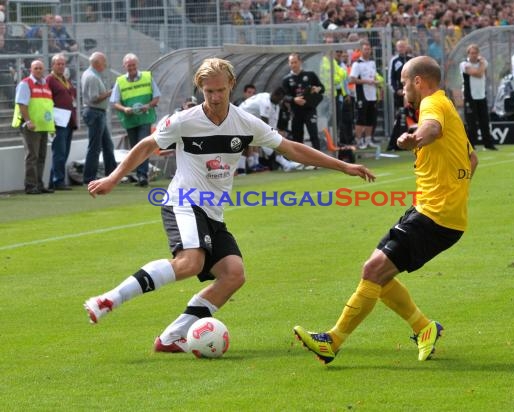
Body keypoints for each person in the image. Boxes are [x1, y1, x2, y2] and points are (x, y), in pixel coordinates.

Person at [83, 58, 375, 353]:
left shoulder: (245, 122)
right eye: (208, 91)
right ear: (201, 89)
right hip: (183, 202)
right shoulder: (184, 120)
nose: (215, 97)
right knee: (190, 262)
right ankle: (108, 300)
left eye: (220, 90)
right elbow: (147, 145)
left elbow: (291, 148)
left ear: (231, 86)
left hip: (213, 211)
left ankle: (172, 337)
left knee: (233, 274)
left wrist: (342, 166)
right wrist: (113, 178)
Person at [293, 56, 479, 364]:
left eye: (404, 82)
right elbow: (472, 160)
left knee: (373, 271)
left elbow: (430, 130)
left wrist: (414, 138)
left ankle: (333, 341)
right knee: (376, 272)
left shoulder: (432, 104)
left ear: (418, 81)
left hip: (436, 216)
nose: (402, 88)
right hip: (431, 210)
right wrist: (453, 192)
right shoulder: (447, 107)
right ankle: (423, 327)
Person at [110, 53, 161, 187]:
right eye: (129, 65)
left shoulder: (147, 77)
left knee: (142, 146)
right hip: (130, 120)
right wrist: (124, 109)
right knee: (134, 148)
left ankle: (142, 176)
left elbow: (156, 97)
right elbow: (114, 101)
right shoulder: (120, 81)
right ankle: (140, 175)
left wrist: (148, 106)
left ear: (137, 65)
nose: (131, 67)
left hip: (145, 118)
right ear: (124, 66)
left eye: (133, 65)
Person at [11, 59, 55, 195]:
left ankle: (39, 184)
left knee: (41, 156)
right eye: (36, 68)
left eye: (40, 68)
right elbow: (22, 104)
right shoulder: (25, 84)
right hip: (31, 126)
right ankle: (30, 186)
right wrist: (28, 121)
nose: (38, 70)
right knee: (32, 156)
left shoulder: (45, 85)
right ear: (31, 69)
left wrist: (51, 126)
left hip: (42, 126)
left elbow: (47, 107)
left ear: (44, 70)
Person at [239, 87, 303, 172]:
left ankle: (253, 166)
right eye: (279, 99)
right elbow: (265, 123)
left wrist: (276, 138)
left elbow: (273, 126)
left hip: (250, 120)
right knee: (262, 140)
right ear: (274, 95)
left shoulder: (276, 105)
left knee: (261, 140)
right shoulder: (265, 102)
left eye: (281, 99)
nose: (280, 101)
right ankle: (285, 164)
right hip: (241, 117)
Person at [81, 51, 117, 185]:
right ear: (96, 63)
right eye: (103, 62)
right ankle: (89, 178)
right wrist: (110, 93)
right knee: (95, 148)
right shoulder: (92, 77)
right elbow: (94, 98)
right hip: (95, 113)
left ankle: (112, 175)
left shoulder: (91, 75)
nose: (105, 65)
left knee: (107, 145)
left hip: (97, 113)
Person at [46, 53, 77, 190]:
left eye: (63, 64)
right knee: (59, 152)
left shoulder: (65, 79)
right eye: (58, 64)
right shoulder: (50, 80)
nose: (61, 66)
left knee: (64, 152)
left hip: (69, 120)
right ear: (52, 65)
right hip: (58, 121)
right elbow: (47, 100)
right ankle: (58, 181)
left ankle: (53, 181)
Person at [282, 53, 325, 151]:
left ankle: (318, 161)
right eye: (291, 63)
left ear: (300, 62)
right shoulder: (286, 79)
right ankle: (300, 162)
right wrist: (294, 99)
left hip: (310, 109)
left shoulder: (310, 75)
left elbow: (322, 88)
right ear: (289, 64)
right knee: (297, 137)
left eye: (295, 62)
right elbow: (284, 96)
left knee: (313, 134)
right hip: (296, 111)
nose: (293, 65)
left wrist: (317, 89)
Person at [459, 44, 497, 151]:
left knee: (484, 121)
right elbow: (478, 73)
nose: (474, 55)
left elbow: (481, 71)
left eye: (476, 53)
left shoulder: (483, 62)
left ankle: (488, 144)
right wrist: (481, 65)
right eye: (472, 53)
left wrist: (481, 65)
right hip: (469, 96)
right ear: (468, 54)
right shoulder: (464, 64)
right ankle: (471, 145)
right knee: (471, 123)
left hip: (481, 95)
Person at [349, 41, 381, 150]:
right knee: (361, 118)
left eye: (369, 49)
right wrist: (367, 81)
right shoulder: (357, 64)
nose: (367, 51)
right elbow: (352, 79)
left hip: (372, 94)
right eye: (365, 49)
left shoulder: (372, 62)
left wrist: (376, 83)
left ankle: (368, 140)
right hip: (362, 94)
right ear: (361, 51)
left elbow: (374, 77)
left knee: (370, 118)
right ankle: (358, 140)